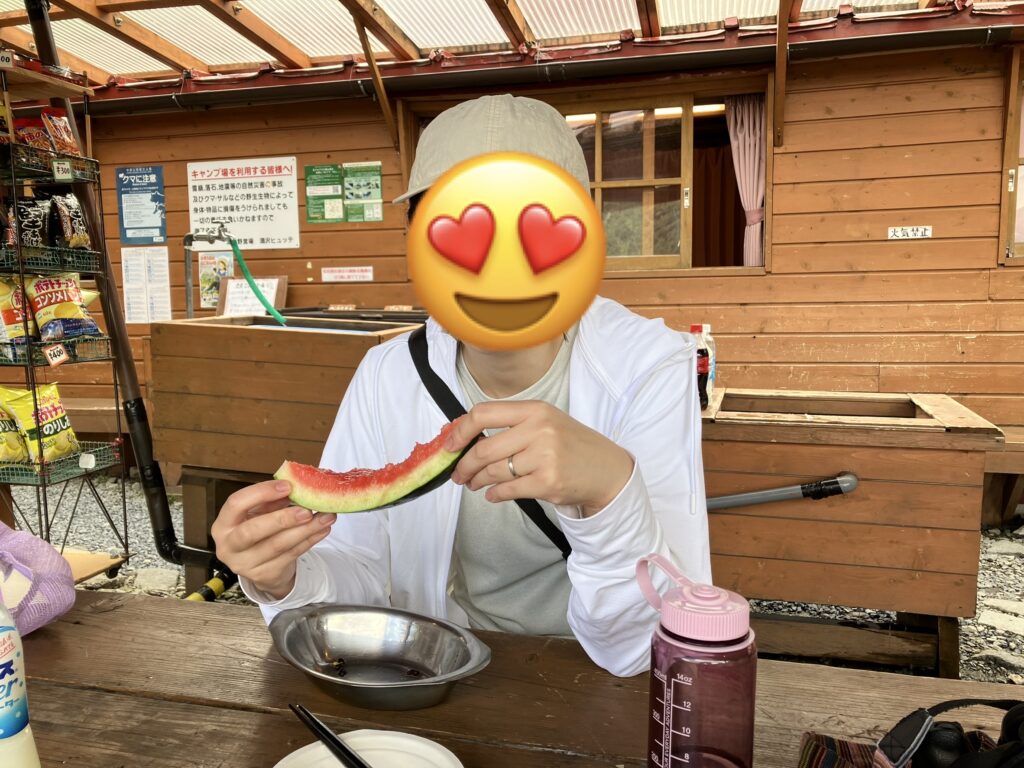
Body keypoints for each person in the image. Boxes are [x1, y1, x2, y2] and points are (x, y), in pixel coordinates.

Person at [210, 94, 711, 678]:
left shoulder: (651, 365)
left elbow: (652, 645)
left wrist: (608, 495)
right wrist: (287, 577)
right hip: (442, 674)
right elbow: (359, 576)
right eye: (462, 232)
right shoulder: (387, 373)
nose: (500, 264)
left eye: (533, 226)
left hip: (598, 681)